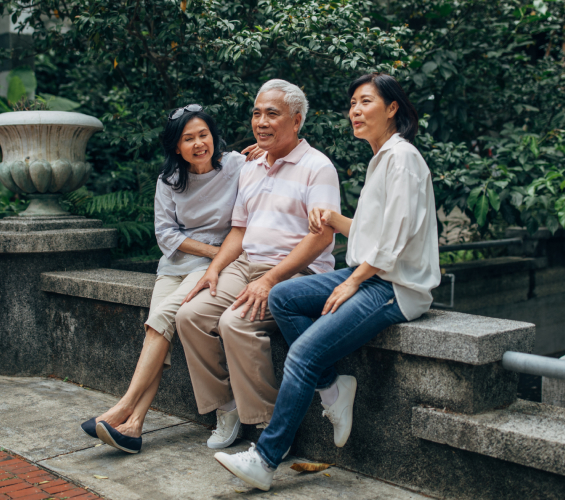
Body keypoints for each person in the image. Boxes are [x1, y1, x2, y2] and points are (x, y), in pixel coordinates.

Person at [214, 73, 441, 491]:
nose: (355, 110)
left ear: (392, 109)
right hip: (375, 274)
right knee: (282, 296)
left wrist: (353, 280)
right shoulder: (383, 158)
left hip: (396, 288)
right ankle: (335, 388)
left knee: (303, 352)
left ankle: (265, 460)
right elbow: (380, 231)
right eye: (352, 102)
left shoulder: (401, 158)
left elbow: (396, 240)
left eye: (366, 102)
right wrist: (338, 222)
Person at [80, 104, 263, 454]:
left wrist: (265, 148)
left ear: (214, 136)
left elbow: (277, 163)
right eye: (188, 138)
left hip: (212, 269)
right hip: (175, 266)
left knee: (163, 319)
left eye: (203, 135)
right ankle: (133, 427)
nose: (198, 144)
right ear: (176, 146)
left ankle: (122, 407)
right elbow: (165, 235)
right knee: (156, 330)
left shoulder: (237, 165)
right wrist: (214, 252)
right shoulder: (169, 180)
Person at [175, 79, 341, 450]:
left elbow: (322, 237)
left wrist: (270, 280)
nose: (261, 122)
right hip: (246, 264)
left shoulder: (318, 167)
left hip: (293, 273)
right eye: (256, 113)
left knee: (235, 322)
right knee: (189, 316)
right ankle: (226, 407)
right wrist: (215, 268)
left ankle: (270, 431)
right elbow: (239, 229)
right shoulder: (251, 165)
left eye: (272, 114)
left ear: (296, 121)